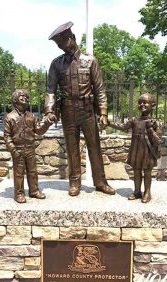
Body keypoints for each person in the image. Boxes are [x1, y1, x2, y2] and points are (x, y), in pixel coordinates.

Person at [45, 21, 115, 197]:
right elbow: (50, 91)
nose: (62, 47)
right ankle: (74, 182)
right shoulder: (56, 64)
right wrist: (49, 111)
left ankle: (100, 182)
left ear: (73, 38)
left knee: (94, 146)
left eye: (64, 43)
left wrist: (104, 113)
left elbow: (100, 89)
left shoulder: (90, 61)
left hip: (87, 110)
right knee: (71, 148)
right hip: (68, 111)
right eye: (59, 45)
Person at [108, 93, 162, 203]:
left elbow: (158, 141)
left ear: (153, 105)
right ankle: (137, 191)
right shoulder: (134, 120)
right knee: (136, 171)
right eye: (140, 102)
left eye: (145, 102)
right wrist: (109, 123)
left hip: (148, 151)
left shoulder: (155, 123)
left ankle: (147, 192)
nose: (142, 104)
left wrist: (150, 129)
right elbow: (122, 127)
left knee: (147, 172)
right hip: (136, 150)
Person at [4, 89, 54, 203]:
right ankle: (19, 193)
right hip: (18, 149)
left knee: (33, 171)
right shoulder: (10, 117)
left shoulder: (31, 116)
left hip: (30, 148)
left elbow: (39, 131)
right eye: (22, 97)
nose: (25, 99)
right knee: (19, 173)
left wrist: (47, 123)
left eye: (27, 97)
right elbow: (7, 136)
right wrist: (13, 150)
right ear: (15, 100)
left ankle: (34, 190)